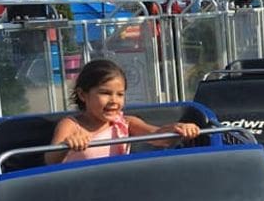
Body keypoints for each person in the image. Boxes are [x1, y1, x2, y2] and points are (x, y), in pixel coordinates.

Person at [46, 59, 201, 164]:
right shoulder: (71, 125)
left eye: (120, 94)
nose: (114, 100)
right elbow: (50, 160)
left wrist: (177, 128)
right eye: (105, 93)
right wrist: (68, 145)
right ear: (82, 95)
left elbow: (158, 136)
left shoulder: (126, 122)